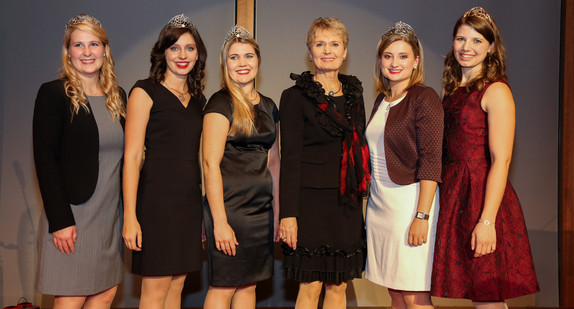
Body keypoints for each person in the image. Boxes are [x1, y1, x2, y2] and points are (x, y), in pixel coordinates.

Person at [431, 7, 540, 308]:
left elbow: (501, 160)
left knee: (487, 294)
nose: (467, 47)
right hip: (454, 196)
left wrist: (487, 220)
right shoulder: (451, 89)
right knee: (475, 294)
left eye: (477, 40)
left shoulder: (497, 91)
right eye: (461, 39)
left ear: (491, 46)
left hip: (481, 199)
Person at [33, 14, 125, 308]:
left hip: (109, 216)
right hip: (74, 215)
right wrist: (60, 220)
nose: (87, 52)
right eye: (78, 45)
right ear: (68, 52)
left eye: (94, 44)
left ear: (105, 50)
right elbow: (45, 159)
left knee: (105, 293)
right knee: (72, 296)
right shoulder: (54, 93)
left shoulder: (117, 97)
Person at [279, 17, 370, 309]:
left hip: (346, 205)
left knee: (338, 286)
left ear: (345, 52)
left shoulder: (356, 94)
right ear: (310, 52)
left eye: (334, 44)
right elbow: (289, 159)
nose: (327, 50)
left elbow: (359, 149)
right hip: (309, 203)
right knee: (310, 287)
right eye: (320, 44)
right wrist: (288, 215)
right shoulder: (294, 97)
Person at [122, 14, 207, 309]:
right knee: (155, 289)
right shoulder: (144, 92)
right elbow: (132, 157)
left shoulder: (199, 100)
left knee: (177, 286)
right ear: (163, 52)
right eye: (175, 48)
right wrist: (130, 216)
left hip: (188, 202)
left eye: (190, 48)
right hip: (155, 203)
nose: (182, 55)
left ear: (198, 54)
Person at [364, 21, 443, 309]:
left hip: (410, 205)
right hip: (379, 206)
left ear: (416, 61)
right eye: (388, 56)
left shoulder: (424, 98)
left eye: (403, 56)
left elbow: (432, 160)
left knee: (414, 293)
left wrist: (421, 216)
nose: (394, 63)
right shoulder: (382, 100)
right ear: (380, 61)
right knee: (395, 292)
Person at [202, 25, 280, 309]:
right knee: (223, 285)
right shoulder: (220, 103)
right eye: (234, 57)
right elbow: (210, 164)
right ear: (225, 64)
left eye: (248, 56)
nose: (242, 63)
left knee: (249, 285)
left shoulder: (270, 106)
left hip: (261, 210)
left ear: (258, 60)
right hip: (229, 208)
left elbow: (274, 161)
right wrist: (220, 222)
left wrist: (279, 211)